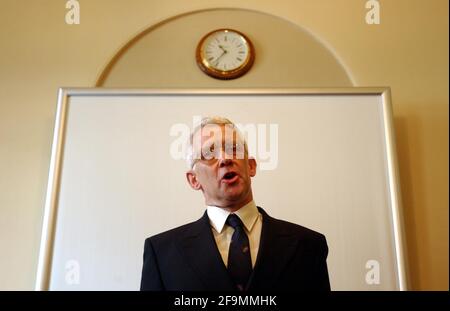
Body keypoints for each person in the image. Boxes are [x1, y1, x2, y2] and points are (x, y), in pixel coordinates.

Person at [140, 117, 330, 291]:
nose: (225, 159)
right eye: (209, 153)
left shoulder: (308, 245)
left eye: (233, 149)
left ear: (251, 166)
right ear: (193, 179)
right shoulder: (162, 253)